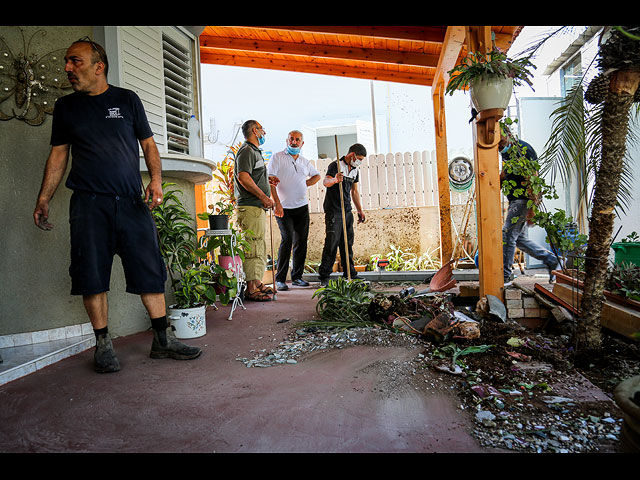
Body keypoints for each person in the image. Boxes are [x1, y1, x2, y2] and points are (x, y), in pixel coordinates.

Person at [33, 38, 201, 374]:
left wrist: (155, 180)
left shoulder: (127, 100)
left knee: (149, 269)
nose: (68, 68)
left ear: (99, 66)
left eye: (75, 61)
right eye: (67, 61)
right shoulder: (67, 108)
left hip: (131, 202)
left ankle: (162, 340)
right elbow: (59, 156)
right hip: (88, 206)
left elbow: (149, 145)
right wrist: (43, 197)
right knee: (91, 275)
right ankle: (103, 345)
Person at [499, 130, 558, 285]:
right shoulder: (506, 152)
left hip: (523, 200)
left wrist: (532, 208)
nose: (499, 146)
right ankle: (552, 260)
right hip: (515, 200)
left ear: (509, 135)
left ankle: (505, 276)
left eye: (501, 142)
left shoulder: (524, 150)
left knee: (507, 235)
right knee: (519, 239)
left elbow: (533, 178)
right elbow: (505, 174)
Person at [267, 130, 321, 291]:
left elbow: (317, 175)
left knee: (301, 241)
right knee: (287, 239)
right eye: (291, 139)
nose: (294, 142)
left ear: (302, 143)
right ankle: (281, 279)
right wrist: (277, 203)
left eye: (297, 140)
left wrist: (305, 184)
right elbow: (270, 181)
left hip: (302, 207)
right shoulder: (277, 157)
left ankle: (297, 277)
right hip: (284, 207)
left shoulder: (304, 161)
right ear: (287, 140)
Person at [233, 119, 278, 301]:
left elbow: (253, 177)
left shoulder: (254, 152)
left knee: (258, 244)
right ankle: (251, 288)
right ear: (254, 130)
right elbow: (243, 177)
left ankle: (256, 281)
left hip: (256, 207)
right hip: (251, 206)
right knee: (252, 245)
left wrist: (267, 182)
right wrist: (263, 197)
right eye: (261, 129)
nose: (264, 133)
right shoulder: (247, 151)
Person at [317, 143, 367, 286]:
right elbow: (326, 182)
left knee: (347, 243)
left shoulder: (354, 170)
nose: (360, 162)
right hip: (334, 210)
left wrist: (359, 210)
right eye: (359, 158)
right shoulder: (336, 166)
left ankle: (349, 273)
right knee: (331, 243)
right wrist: (335, 179)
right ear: (352, 155)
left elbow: (354, 192)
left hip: (347, 210)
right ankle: (324, 276)